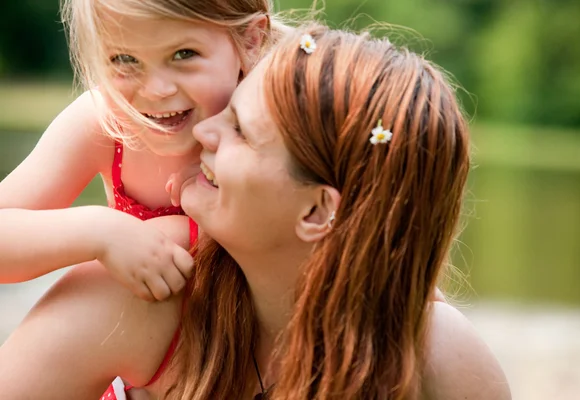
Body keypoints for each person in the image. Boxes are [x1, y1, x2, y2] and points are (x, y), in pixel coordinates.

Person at [0, 25, 511, 399]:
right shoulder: (143, 289)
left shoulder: (441, 360)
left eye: (240, 130)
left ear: (317, 211)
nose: (202, 132)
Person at [0, 0, 281, 301]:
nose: (156, 89)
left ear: (251, 41)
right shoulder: (106, 123)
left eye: (184, 54)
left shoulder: (279, 120)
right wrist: (99, 231)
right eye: (124, 59)